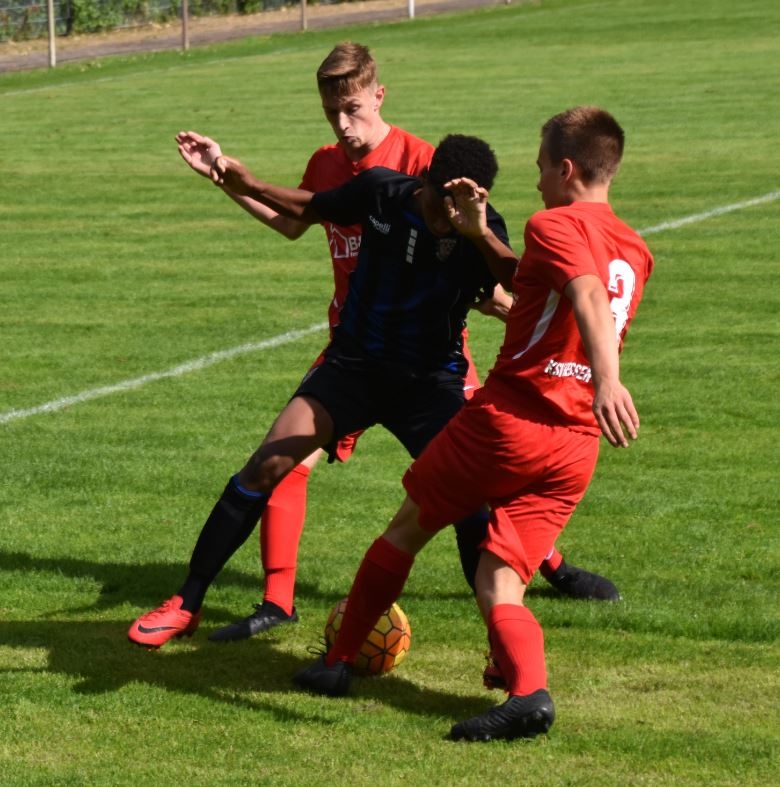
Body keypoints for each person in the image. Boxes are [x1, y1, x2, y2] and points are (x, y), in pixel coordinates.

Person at [160, 43, 617, 647]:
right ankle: (233, 601)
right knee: (277, 461)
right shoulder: (362, 182)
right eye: (333, 114)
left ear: (378, 97)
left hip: (431, 371)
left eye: (352, 109)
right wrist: (233, 178)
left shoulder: (458, 195)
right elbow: (301, 214)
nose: (343, 126)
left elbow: (510, 283)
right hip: (354, 356)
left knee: (475, 499)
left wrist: (485, 252)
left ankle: (525, 608)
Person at [292, 106, 655, 742]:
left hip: (511, 420)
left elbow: (588, 297)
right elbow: (540, 284)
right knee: (499, 574)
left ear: (566, 168)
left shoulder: (556, 222)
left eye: (542, 165)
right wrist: (480, 233)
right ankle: (528, 695)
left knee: (408, 526)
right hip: (576, 447)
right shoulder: (635, 248)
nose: (537, 179)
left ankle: (338, 662)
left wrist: (609, 377)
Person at [128, 133, 518, 649]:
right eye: (444, 202)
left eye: (466, 203)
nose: (450, 216)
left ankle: (499, 646)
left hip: (427, 385)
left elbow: (524, 284)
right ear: (425, 181)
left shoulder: (483, 229)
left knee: (471, 508)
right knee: (264, 466)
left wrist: (479, 234)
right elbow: (310, 208)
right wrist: (249, 183)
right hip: (352, 367)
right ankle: (186, 603)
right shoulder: (382, 192)